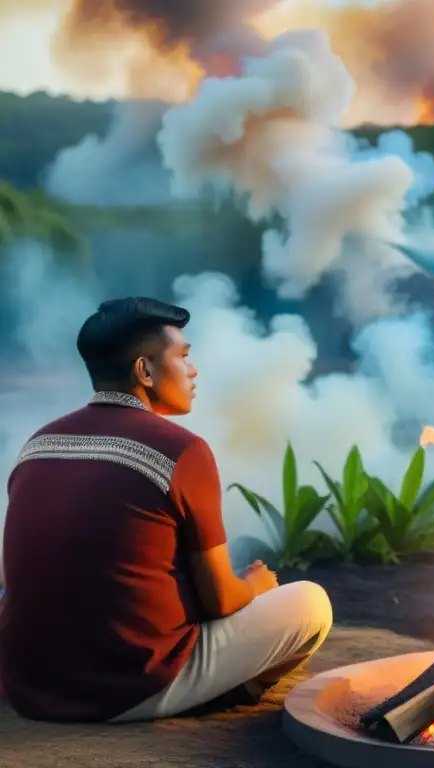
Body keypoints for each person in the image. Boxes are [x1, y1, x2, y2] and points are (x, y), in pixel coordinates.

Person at [0, 297, 334, 723]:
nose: (193, 371)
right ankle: (217, 695)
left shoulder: (39, 443)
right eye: (184, 357)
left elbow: (15, 576)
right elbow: (219, 601)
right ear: (145, 370)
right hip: (123, 689)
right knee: (311, 602)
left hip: (26, 684)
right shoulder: (182, 449)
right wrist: (256, 585)